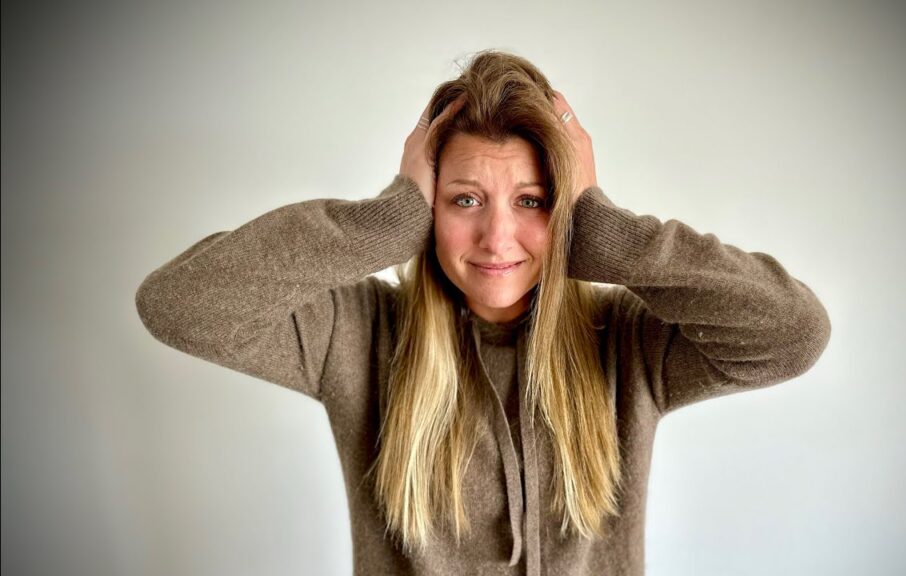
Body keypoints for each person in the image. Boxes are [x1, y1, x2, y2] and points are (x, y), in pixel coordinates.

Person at [135, 49, 831, 576]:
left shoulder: (625, 342)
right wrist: (384, 221)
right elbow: (179, 307)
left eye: (532, 201)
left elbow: (793, 334)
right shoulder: (357, 334)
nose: (497, 238)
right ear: (427, 207)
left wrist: (604, 229)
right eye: (465, 199)